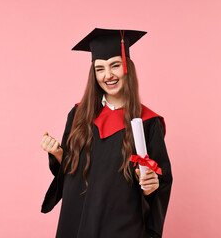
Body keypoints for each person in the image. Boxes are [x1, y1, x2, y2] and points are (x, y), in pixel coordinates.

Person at [40, 28, 172, 238]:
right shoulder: (78, 115)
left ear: (127, 67)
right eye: (100, 68)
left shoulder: (148, 122)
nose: (108, 75)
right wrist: (57, 153)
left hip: (122, 224)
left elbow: (158, 184)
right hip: (79, 220)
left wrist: (150, 186)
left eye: (115, 65)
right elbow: (70, 172)